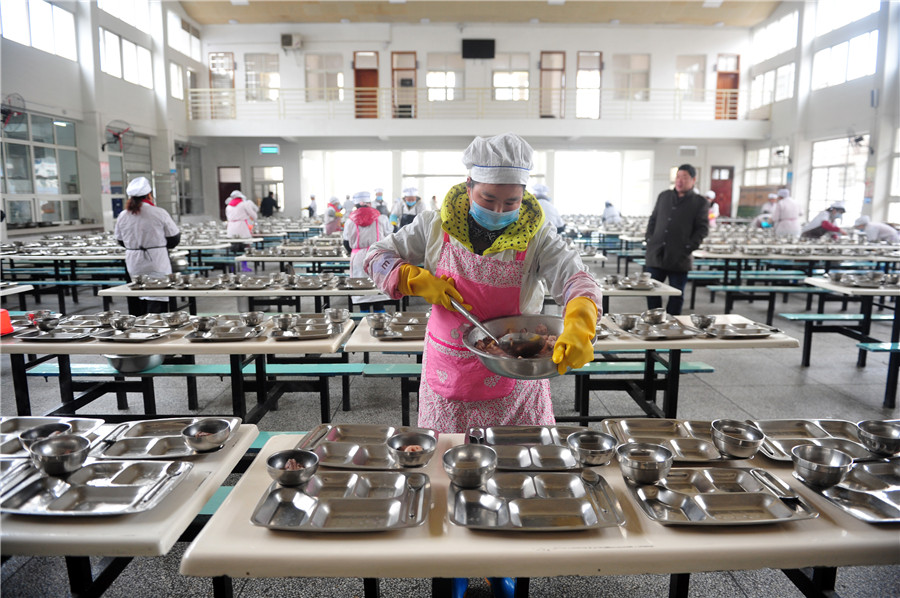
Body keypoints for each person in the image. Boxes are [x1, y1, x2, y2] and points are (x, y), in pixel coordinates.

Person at [366, 134, 600, 598]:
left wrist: (580, 317)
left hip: (515, 376)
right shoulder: (434, 225)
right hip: (449, 371)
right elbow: (372, 256)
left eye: (511, 200)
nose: (499, 207)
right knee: (448, 469)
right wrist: (411, 278)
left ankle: (503, 562)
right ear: (469, 184)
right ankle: (450, 563)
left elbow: (576, 276)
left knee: (515, 470)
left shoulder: (535, 234)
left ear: (524, 196)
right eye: (488, 197)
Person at [644, 164, 709, 315]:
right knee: (652, 291)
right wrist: (649, 238)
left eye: (684, 177)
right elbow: (653, 219)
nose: (680, 181)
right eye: (678, 177)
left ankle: (672, 324)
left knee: (676, 293)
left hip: (679, 257)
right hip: (656, 253)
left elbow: (702, 229)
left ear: (693, 180)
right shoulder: (664, 196)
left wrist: (688, 247)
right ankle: (655, 321)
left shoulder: (700, 202)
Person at [114, 176, 180, 315]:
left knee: (136, 294)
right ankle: (157, 327)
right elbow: (174, 238)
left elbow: (120, 240)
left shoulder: (123, 215)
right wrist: (158, 245)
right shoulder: (158, 212)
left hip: (134, 260)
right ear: (149, 195)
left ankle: (137, 328)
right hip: (156, 259)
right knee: (158, 294)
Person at [342, 191, 392, 307]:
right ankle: (379, 318)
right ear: (370, 203)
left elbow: (346, 243)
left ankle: (364, 320)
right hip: (378, 256)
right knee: (378, 290)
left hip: (358, 257)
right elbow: (390, 237)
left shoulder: (350, 221)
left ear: (356, 205)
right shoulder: (381, 218)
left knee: (362, 291)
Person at [225, 190, 258, 272]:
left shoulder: (228, 206)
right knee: (244, 247)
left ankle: (232, 267)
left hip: (231, 228)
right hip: (242, 227)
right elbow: (253, 215)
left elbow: (227, 217)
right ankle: (244, 266)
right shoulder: (244, 204)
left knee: (233, 248)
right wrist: (253, 220)